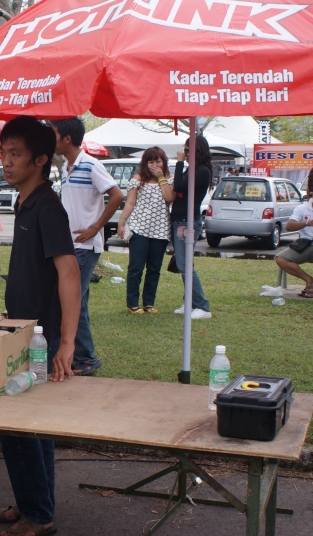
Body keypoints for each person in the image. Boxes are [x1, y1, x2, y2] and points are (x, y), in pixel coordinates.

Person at [0, 116, 80, 536]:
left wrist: (68, 343)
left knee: (23, 427)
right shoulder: (25, 201)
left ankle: (38, 516)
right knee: (28, 428)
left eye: (15, 154)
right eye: (3, 152)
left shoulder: (48, 207)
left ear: (41, 160)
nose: (5, 161)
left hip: (44, 339)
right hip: (21, 330)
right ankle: (33, 505)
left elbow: (69, 274)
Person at [50, 117, 122, 375]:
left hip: (84, 246)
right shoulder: (68, 167)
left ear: (66, 138)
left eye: (54, 133)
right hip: (70, 245)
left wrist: (95, 227)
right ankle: (84, 356)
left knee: (72, 303)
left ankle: (86, 359)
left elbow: (117, 195)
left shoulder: (90, 164)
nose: (51, 138)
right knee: (77, 303)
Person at [117, 147, 175, 314]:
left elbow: (169, 198)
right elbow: (130, 203)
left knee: (154, 268)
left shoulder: (169, 180)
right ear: (145, 163)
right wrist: (122, 222)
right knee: (136, 267)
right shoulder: (137, 180)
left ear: (164, 162)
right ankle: (132, 304)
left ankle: (148, 303)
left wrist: (160, 177)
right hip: (139, 229)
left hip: (161, 230)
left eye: (158, 161)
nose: (155, 165)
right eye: (151, 161)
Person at [172, 136, 213, 319]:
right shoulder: (193, 169)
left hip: (187, 221)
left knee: (185, 265)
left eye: (188, 150)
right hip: (181, 219)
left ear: (198, 150)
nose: (185, 153)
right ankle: (190, 303)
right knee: (185, 263)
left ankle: (202, 306)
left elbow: (179, 186)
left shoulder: (202, 171)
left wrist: (179, 163)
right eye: (185, 149)